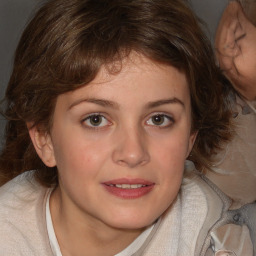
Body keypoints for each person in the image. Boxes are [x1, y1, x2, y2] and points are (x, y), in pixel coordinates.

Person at [0, 0, 249, 255]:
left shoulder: (218, 239)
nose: (132, 153)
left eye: (158, 119)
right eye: (96, 120)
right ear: (44, 138)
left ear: (191, 135)